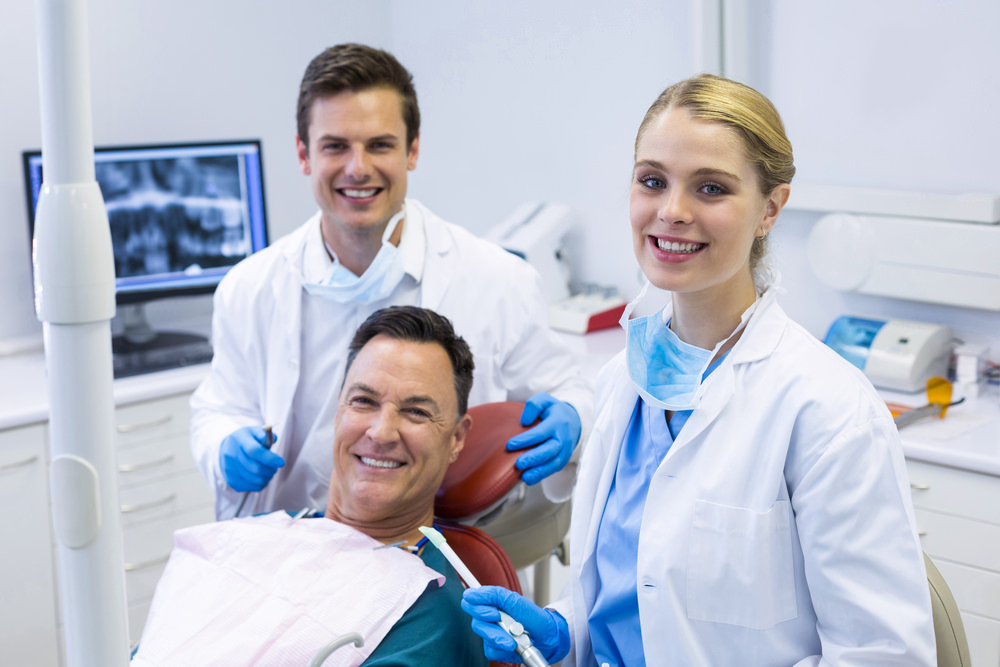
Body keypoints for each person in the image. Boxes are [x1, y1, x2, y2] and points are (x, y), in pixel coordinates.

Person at [462, 74, 935, 666]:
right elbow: (637, 597)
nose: (672, 211)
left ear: (770, 208)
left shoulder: (828, 411)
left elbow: (884, 655)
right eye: (652, 181)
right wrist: (566, 633)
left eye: (711, 188)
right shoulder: (621, 384)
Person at [190, 43, 592, 520]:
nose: (358, 168)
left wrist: (574, 419)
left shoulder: (499, 281)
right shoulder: (250, 287)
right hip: (292, 544)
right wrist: (223, 447)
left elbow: (571, 388)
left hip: (430, 546)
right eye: (335, 146)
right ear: (303, 154)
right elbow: (219, 409)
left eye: (379, 145)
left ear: (412, 150)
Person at [134, 307, 488, 666]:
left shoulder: (428, 613)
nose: (380, 433)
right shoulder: (264, 534)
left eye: (416, 412)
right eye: (363, 401)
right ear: (337, 413)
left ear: (457, 438)